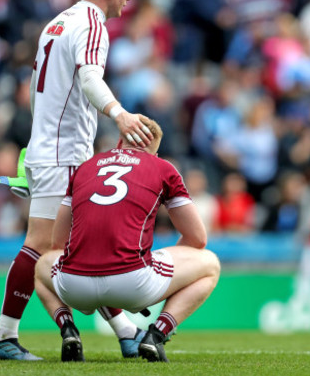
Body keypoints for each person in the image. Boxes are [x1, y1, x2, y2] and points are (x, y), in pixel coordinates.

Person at [0, 0, 154, 361]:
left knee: (82, 246)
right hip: (64, 155)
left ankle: (126, 332)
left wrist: (39, 137)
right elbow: (90, 77)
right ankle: (4, 335)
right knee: (41, 246)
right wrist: (120, 115)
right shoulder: (93, 24)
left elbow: (32, 83)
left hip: (51, 150)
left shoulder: (57, 23)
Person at [34, 117, 220, 363]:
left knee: (41, 265)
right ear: (154, 150)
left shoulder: (85, 168)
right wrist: (166, 279)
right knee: (210, 264)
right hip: (134, 283)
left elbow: (58, 241)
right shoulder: (162, 168)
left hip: (75, 286)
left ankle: (68, 329)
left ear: (120, 140)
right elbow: (197, 238)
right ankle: (157, 334)